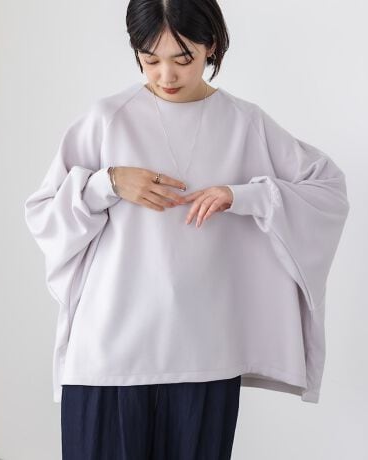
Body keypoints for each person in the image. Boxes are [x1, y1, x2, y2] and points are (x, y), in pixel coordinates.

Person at [24, 0, 350, 458]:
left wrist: (244, 196)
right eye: (150, 59)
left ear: (210, 46)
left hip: (205, 357)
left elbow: (327, 190)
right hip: (108, 355)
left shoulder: (245, 123)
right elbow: (43, 214)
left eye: (183, 59)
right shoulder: (107, 119)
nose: (166, 76)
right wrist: (108, 182)